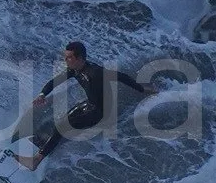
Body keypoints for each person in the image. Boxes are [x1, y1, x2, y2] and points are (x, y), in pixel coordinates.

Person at [17, 40, 156, 167]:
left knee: (62, 125)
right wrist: (42, 94)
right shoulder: (74, 70)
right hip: (89, 104)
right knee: (63, 120)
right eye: (65, 57)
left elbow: (121, 77)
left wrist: (142, 89)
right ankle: (46, 146)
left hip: (100, 112)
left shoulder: (95, 72)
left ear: (80, 58)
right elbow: (56, 81)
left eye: (69, 57)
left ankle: (36, 160)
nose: (66, 60)